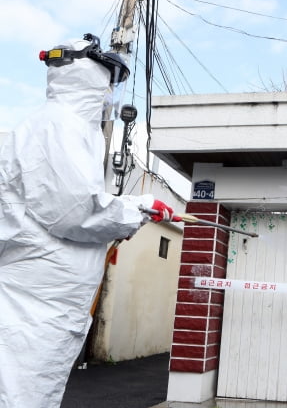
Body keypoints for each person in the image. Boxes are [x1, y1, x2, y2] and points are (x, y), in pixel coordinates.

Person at [0, 34, 174, 407]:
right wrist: (137, 210)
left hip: (46, 300)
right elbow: (74, 211)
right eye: (109, 81)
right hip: (37, 302)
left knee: (30, 388)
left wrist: (126, 219)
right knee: (22, 391)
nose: (111, 92)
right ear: (89, 75)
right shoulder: (59, 126)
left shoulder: (70, 128)